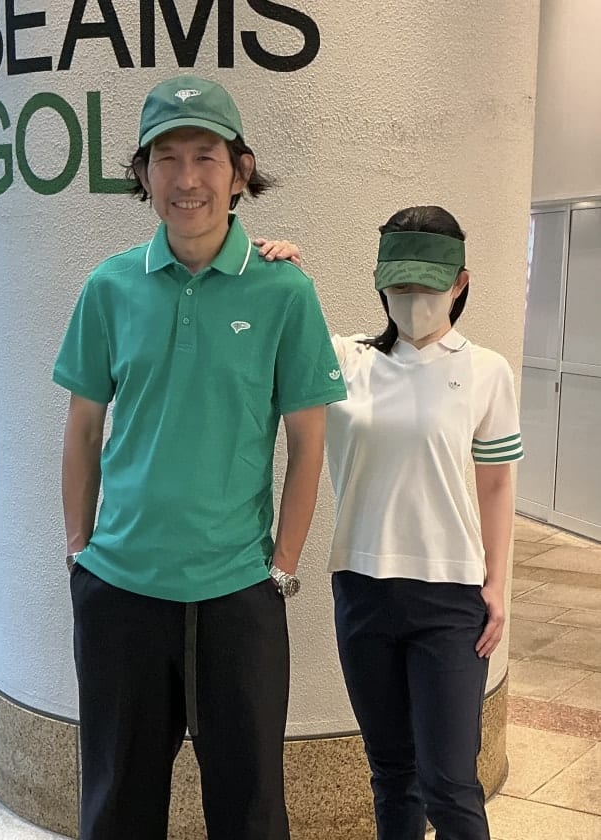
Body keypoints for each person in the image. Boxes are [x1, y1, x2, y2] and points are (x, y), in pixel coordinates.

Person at [53, 74, 346, 840]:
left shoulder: (284, 292)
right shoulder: (109, 287)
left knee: (252, 813)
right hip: (120, 591)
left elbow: (308, 442)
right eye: (167, 157)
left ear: (240, 171)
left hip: (238, 595)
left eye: (206, 156)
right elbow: (83, 428)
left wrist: (282, 567)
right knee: (116, 809)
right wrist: (79, 554)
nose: (187, 179)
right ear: (143, 174)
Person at [259, 205, 523, 840]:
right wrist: (276, 271)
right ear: (380, 284)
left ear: (459, 283)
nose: (412, 299)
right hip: (362, 590)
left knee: (450, 783)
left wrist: (498, 586)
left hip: (451, 598)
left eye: (427, 286)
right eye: (399, 285)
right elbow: (276, 331)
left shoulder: (486, 371)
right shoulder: (346, 360)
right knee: (392, 773)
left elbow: (495, 484)